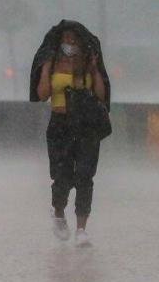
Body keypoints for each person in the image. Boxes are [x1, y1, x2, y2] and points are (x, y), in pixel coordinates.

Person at [31, 22, 109, 246]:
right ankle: (58, 212)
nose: (71, 43)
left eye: (75, 39)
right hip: (60, 125)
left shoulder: (87, 64)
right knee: (62, 175)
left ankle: (82, 229)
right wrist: (46, 69)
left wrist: (94, 71)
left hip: (86, 126)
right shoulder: (53, 63)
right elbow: (43, 94)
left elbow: (101, 95)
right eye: (67, 38)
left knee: (85, 176)